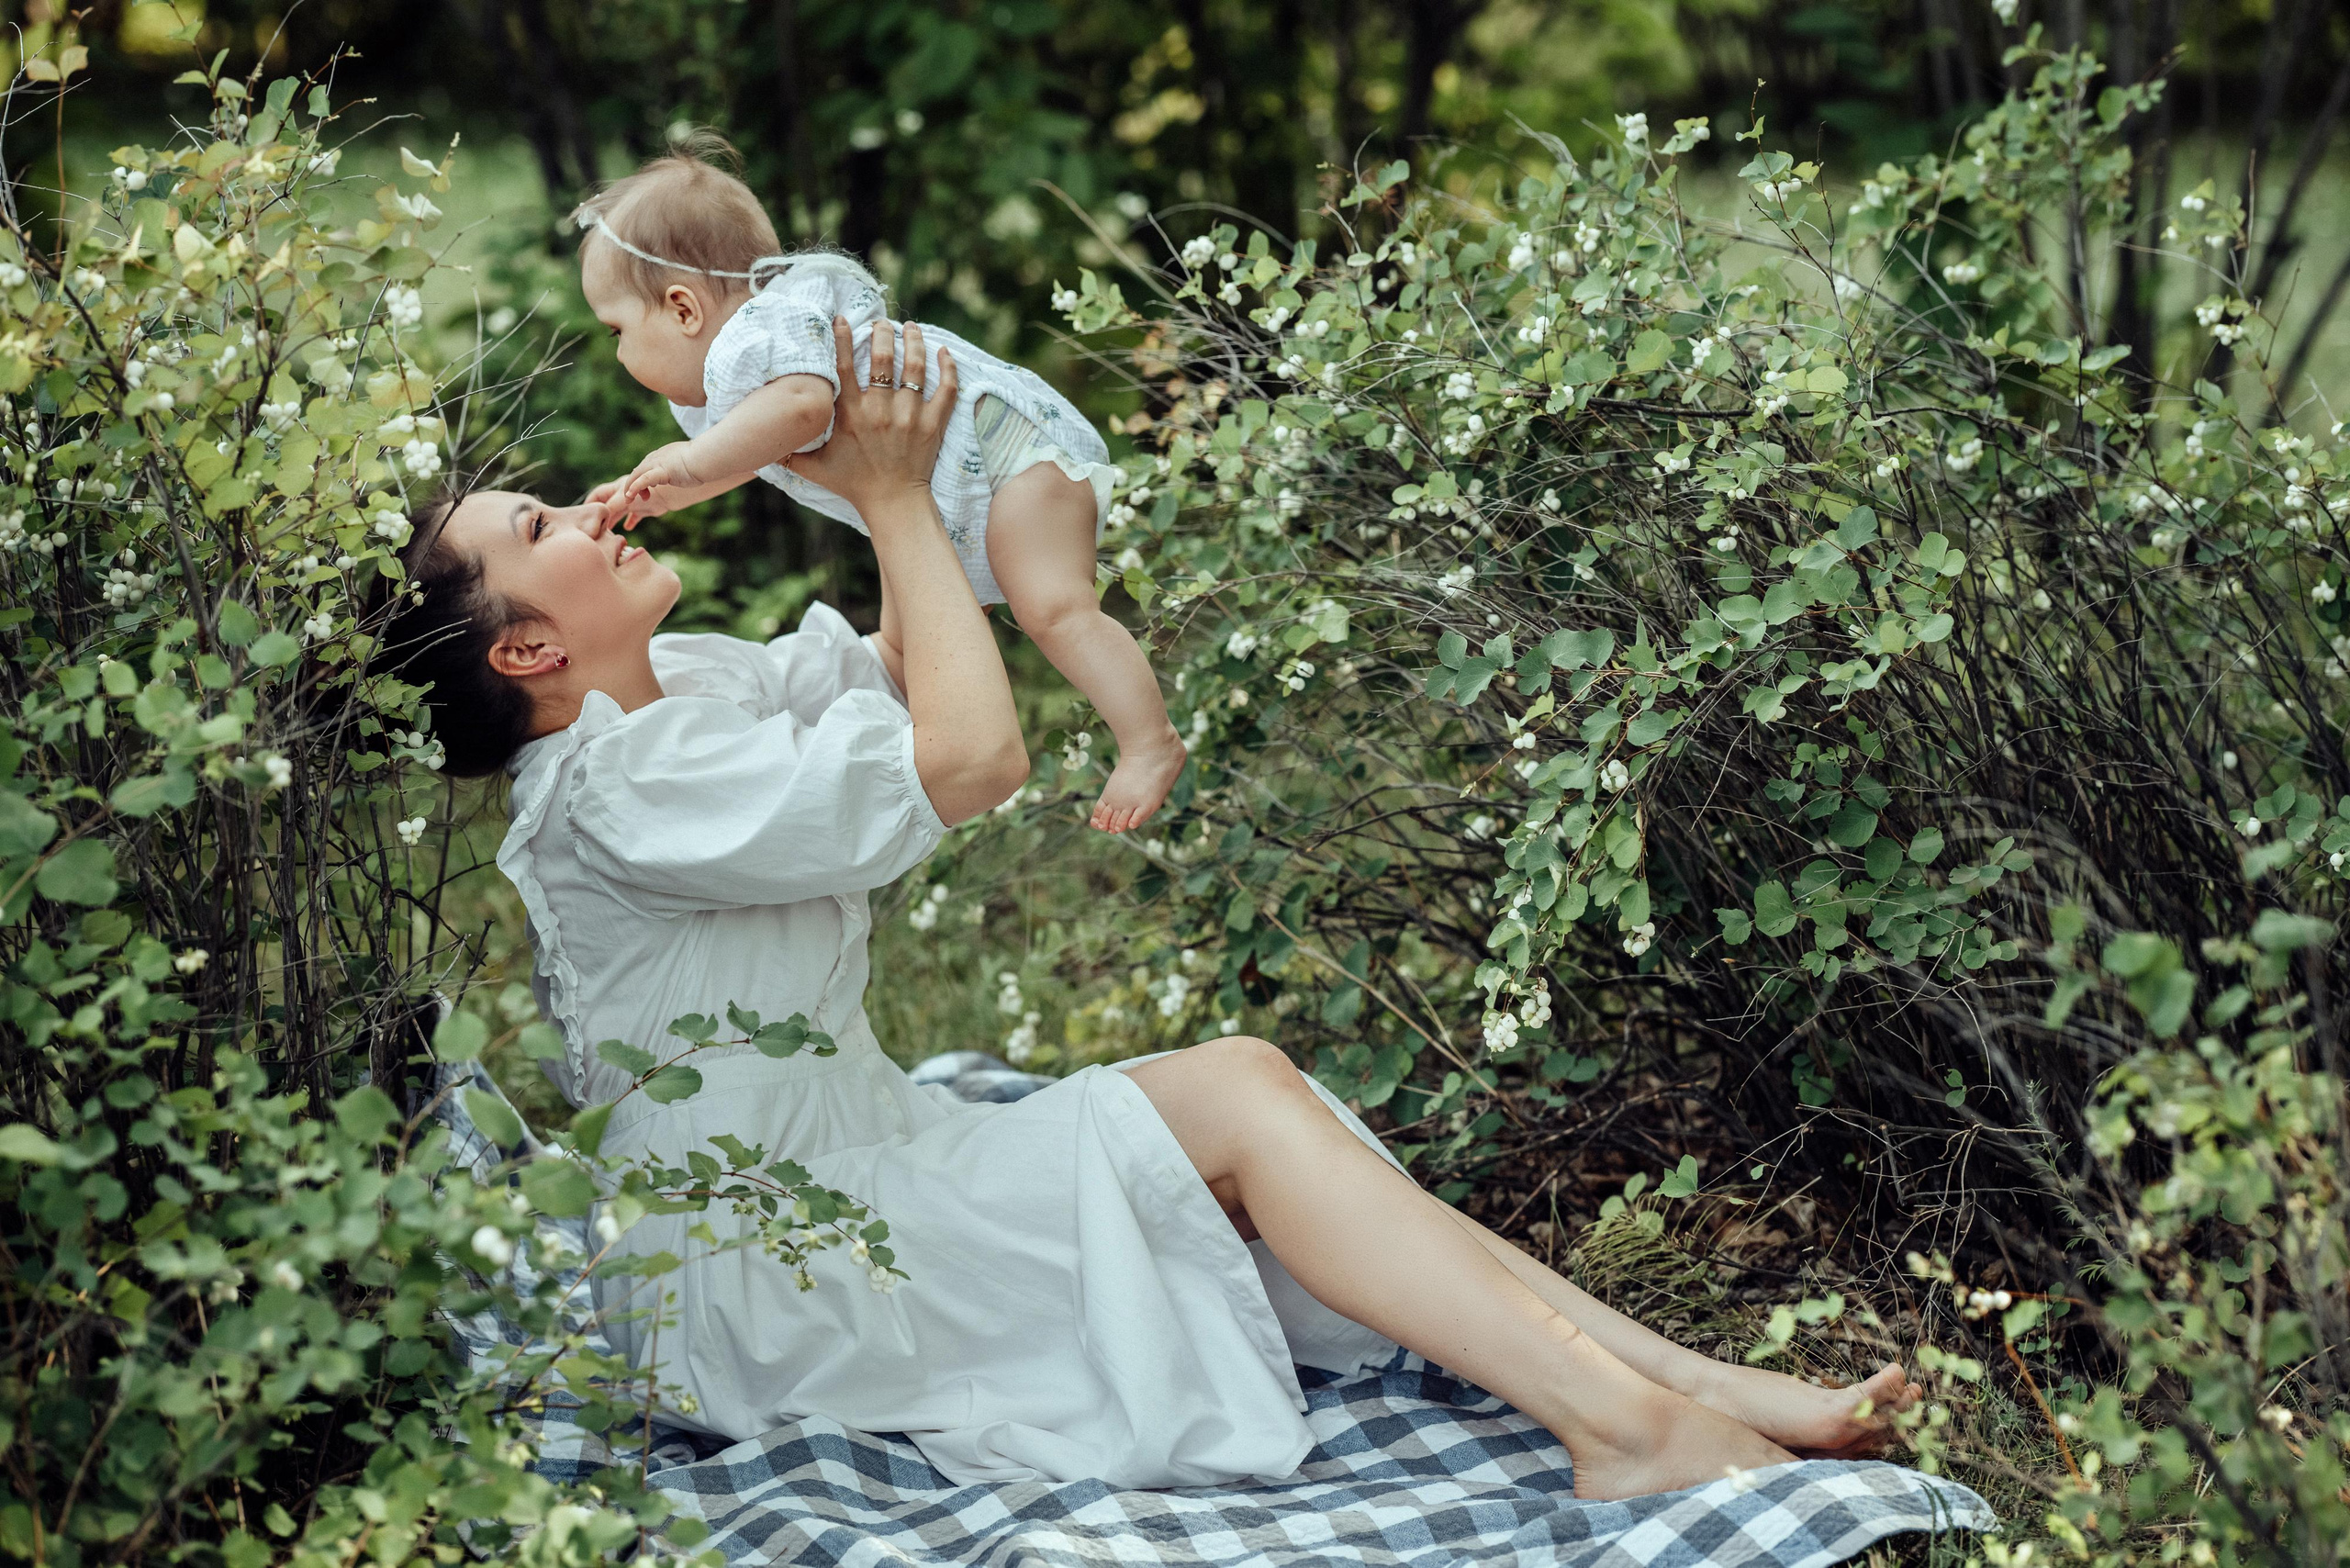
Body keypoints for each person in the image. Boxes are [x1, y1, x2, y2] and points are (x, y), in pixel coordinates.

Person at [375, 316, 1917, 1500]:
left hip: (850, 1168)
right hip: (771, 1269)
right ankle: (1627, 1424)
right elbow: (969, 756)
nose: (587, 508)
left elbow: (916, 674)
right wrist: (904, 502)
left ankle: (1676, 1385)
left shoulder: (684, 691)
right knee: (1237, 1106)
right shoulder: (623, 791)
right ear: (523, 652)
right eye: (539, 531)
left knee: (1249, 1110)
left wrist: (868, 487)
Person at [571, 133, 1185, 834]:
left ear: (683, 309)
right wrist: (674, 488)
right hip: (966, 482)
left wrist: (687, 463)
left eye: (615, 329)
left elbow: (802, 407)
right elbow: (755, 450)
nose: (618, 349)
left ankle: (1149, 741)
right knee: (943, 624)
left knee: (1053, 609)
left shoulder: (760, 332)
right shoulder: (743, 371)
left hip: (1012, 456)